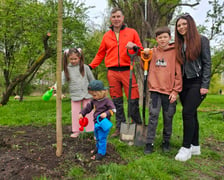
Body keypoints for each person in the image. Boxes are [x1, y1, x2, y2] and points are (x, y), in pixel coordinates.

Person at [89, 7, 143, 137]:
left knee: (133, 100)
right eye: (114, 17)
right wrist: (90, 66)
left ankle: (138, 127)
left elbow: (140, 50)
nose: (116, 19)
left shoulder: (132, 32)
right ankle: (120, 127)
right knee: (116, 102)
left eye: (118, 16)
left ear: (123, 18)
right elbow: (101, 53)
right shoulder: (107, 36)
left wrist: (134, 47)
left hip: (127, 70)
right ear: (110, 19)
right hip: (112, 72)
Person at [174, 13, 211, 161]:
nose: (181, 27)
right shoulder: (178, 43)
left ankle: (186, 147)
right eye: (178, 25)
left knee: (187, 113)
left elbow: (207, 63)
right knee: (192, 114)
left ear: (190, 24)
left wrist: (205, 84)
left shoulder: (202, 40)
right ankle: (195, 146)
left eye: (184, 24)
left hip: (197, 82)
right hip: (184, 84)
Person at [144, 26, 182, 154]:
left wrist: (175, 91)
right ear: (156, 39)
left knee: (168, 117)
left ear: (169, 38)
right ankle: (149, 142)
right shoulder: (152, 52)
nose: (162, 39)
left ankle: (166, 142)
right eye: (160, 37)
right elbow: (143, 60)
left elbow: (178, 73)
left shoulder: (174, 52)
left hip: (169, 92)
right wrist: (144, 52)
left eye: (165, 37)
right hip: (155, 90)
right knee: (153, 116)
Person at [55, 48, 95, 138]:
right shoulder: (66, 70)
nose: (73, 61)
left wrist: (95, 90)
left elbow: (92, 79)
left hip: (87, 94)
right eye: (71, 59)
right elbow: (60, 81)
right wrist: (55, 87)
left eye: (75, 59)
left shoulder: (85, 68)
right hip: (75, 95)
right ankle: (76, 130)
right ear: (68, 59)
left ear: (79, 58)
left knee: (89, 112)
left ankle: (91, 130)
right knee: (76, 113)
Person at [79, 80, 116, 160]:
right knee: (97, 137)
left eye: (95, 95)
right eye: (92, 95)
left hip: (104, 124)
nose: (93, 97)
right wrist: (82, 113)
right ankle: (97, 148)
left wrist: (106, 113)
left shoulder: (107, 101)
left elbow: (113, 110)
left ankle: (101, 153)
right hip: (96, 123)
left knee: (102, 138)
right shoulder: (94, 101)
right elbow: (88, 108)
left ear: (101, 92)